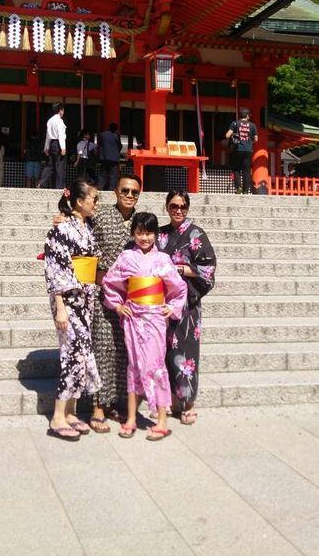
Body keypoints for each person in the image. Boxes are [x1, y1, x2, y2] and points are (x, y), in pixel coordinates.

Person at [103, 212, 187, 441]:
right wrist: (118, 305)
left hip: (155, 318)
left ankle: (161, 419)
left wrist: (172, 306)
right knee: (134, 366)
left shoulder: (163, 260)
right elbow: (110, 282)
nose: (144, 237)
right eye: (140, 232)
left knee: (156, 365)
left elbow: (178, 288)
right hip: (133, 318)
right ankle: (131, 417)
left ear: (156, 235)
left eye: (149, 233)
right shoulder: (126, 257)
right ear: (133, 233)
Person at [44, 179, 101, 441]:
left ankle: (70, 412)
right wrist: (59, 307)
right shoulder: (61, 229)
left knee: (82, 353)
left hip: (86, 299)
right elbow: (54, 269)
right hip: (68, 300)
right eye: (94, 199)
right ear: (79, 201)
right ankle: (57, 415)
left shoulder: (86, 227)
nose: (96, 203)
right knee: (72, 354)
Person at [158, 190, 216, 425]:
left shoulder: (196, 234)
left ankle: (188, 403)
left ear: (188, 208)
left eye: (182, 206)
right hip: (163, 303)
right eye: (173, 206)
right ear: (167, 207)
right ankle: (172, 400)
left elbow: (208, 269)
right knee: (165, 352)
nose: (178, 210)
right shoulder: (160, 235)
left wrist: (180, 268)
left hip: (187, 304)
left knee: (187, 351)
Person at [89, 173, 142, 432]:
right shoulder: (99, 216)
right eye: (125, 190)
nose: (129, 196)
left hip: (130, 299)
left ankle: (118, 402)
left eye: (134, 192)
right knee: (102, 347)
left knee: (124, 351)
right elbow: (81, 237)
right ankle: (98, 405)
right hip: (102, 294)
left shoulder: (140, 223)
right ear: (116, 192)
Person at [226, 108, 258, 194]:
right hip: (248, 150)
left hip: (238, 149)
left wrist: (234, 135)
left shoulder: (235, 123)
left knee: (236, 169)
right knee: (246, 170)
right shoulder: (252, 125)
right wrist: (248, 141)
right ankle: (245, 190)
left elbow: (227, 135)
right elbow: (256, 139)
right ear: (248, 116)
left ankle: (238, 188)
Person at [39, 102, 67, 189]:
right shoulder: (59, 121)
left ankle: (42, 183)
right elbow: (61, 134)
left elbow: (48, 135)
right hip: (58, 144)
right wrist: (63, 147)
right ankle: (59, 187)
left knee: (50, 165)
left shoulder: (50, 120)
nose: (63, 112)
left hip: (51, 144)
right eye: (63, 110)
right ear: (60, 110)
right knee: (60, 166)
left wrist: (46, 147)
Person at [98, 122, 122, 190]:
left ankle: (100, 188)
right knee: (113, 175)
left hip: (104, 157)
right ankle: (111, 189)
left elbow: (99, 144)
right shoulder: (116, 135)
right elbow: (119, 146)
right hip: (114, 159)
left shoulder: (103, 134)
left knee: (102, 174)